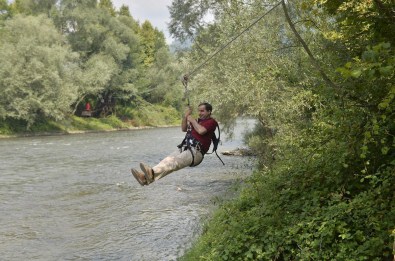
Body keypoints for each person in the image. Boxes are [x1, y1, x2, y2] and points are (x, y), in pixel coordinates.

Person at [131, 102, 218, 186]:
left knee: (174, 163)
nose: (199, 113)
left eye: (202, 111)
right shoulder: (196, 121)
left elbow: (201, 131)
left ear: (209, 111)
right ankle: (145, 179)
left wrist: (192, 120)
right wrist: (186, 116)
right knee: (167, 161)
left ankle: (151, 173)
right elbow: (184, 129)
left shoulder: (211, 122)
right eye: (199, 111)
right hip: (186, 147)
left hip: (196, 152)